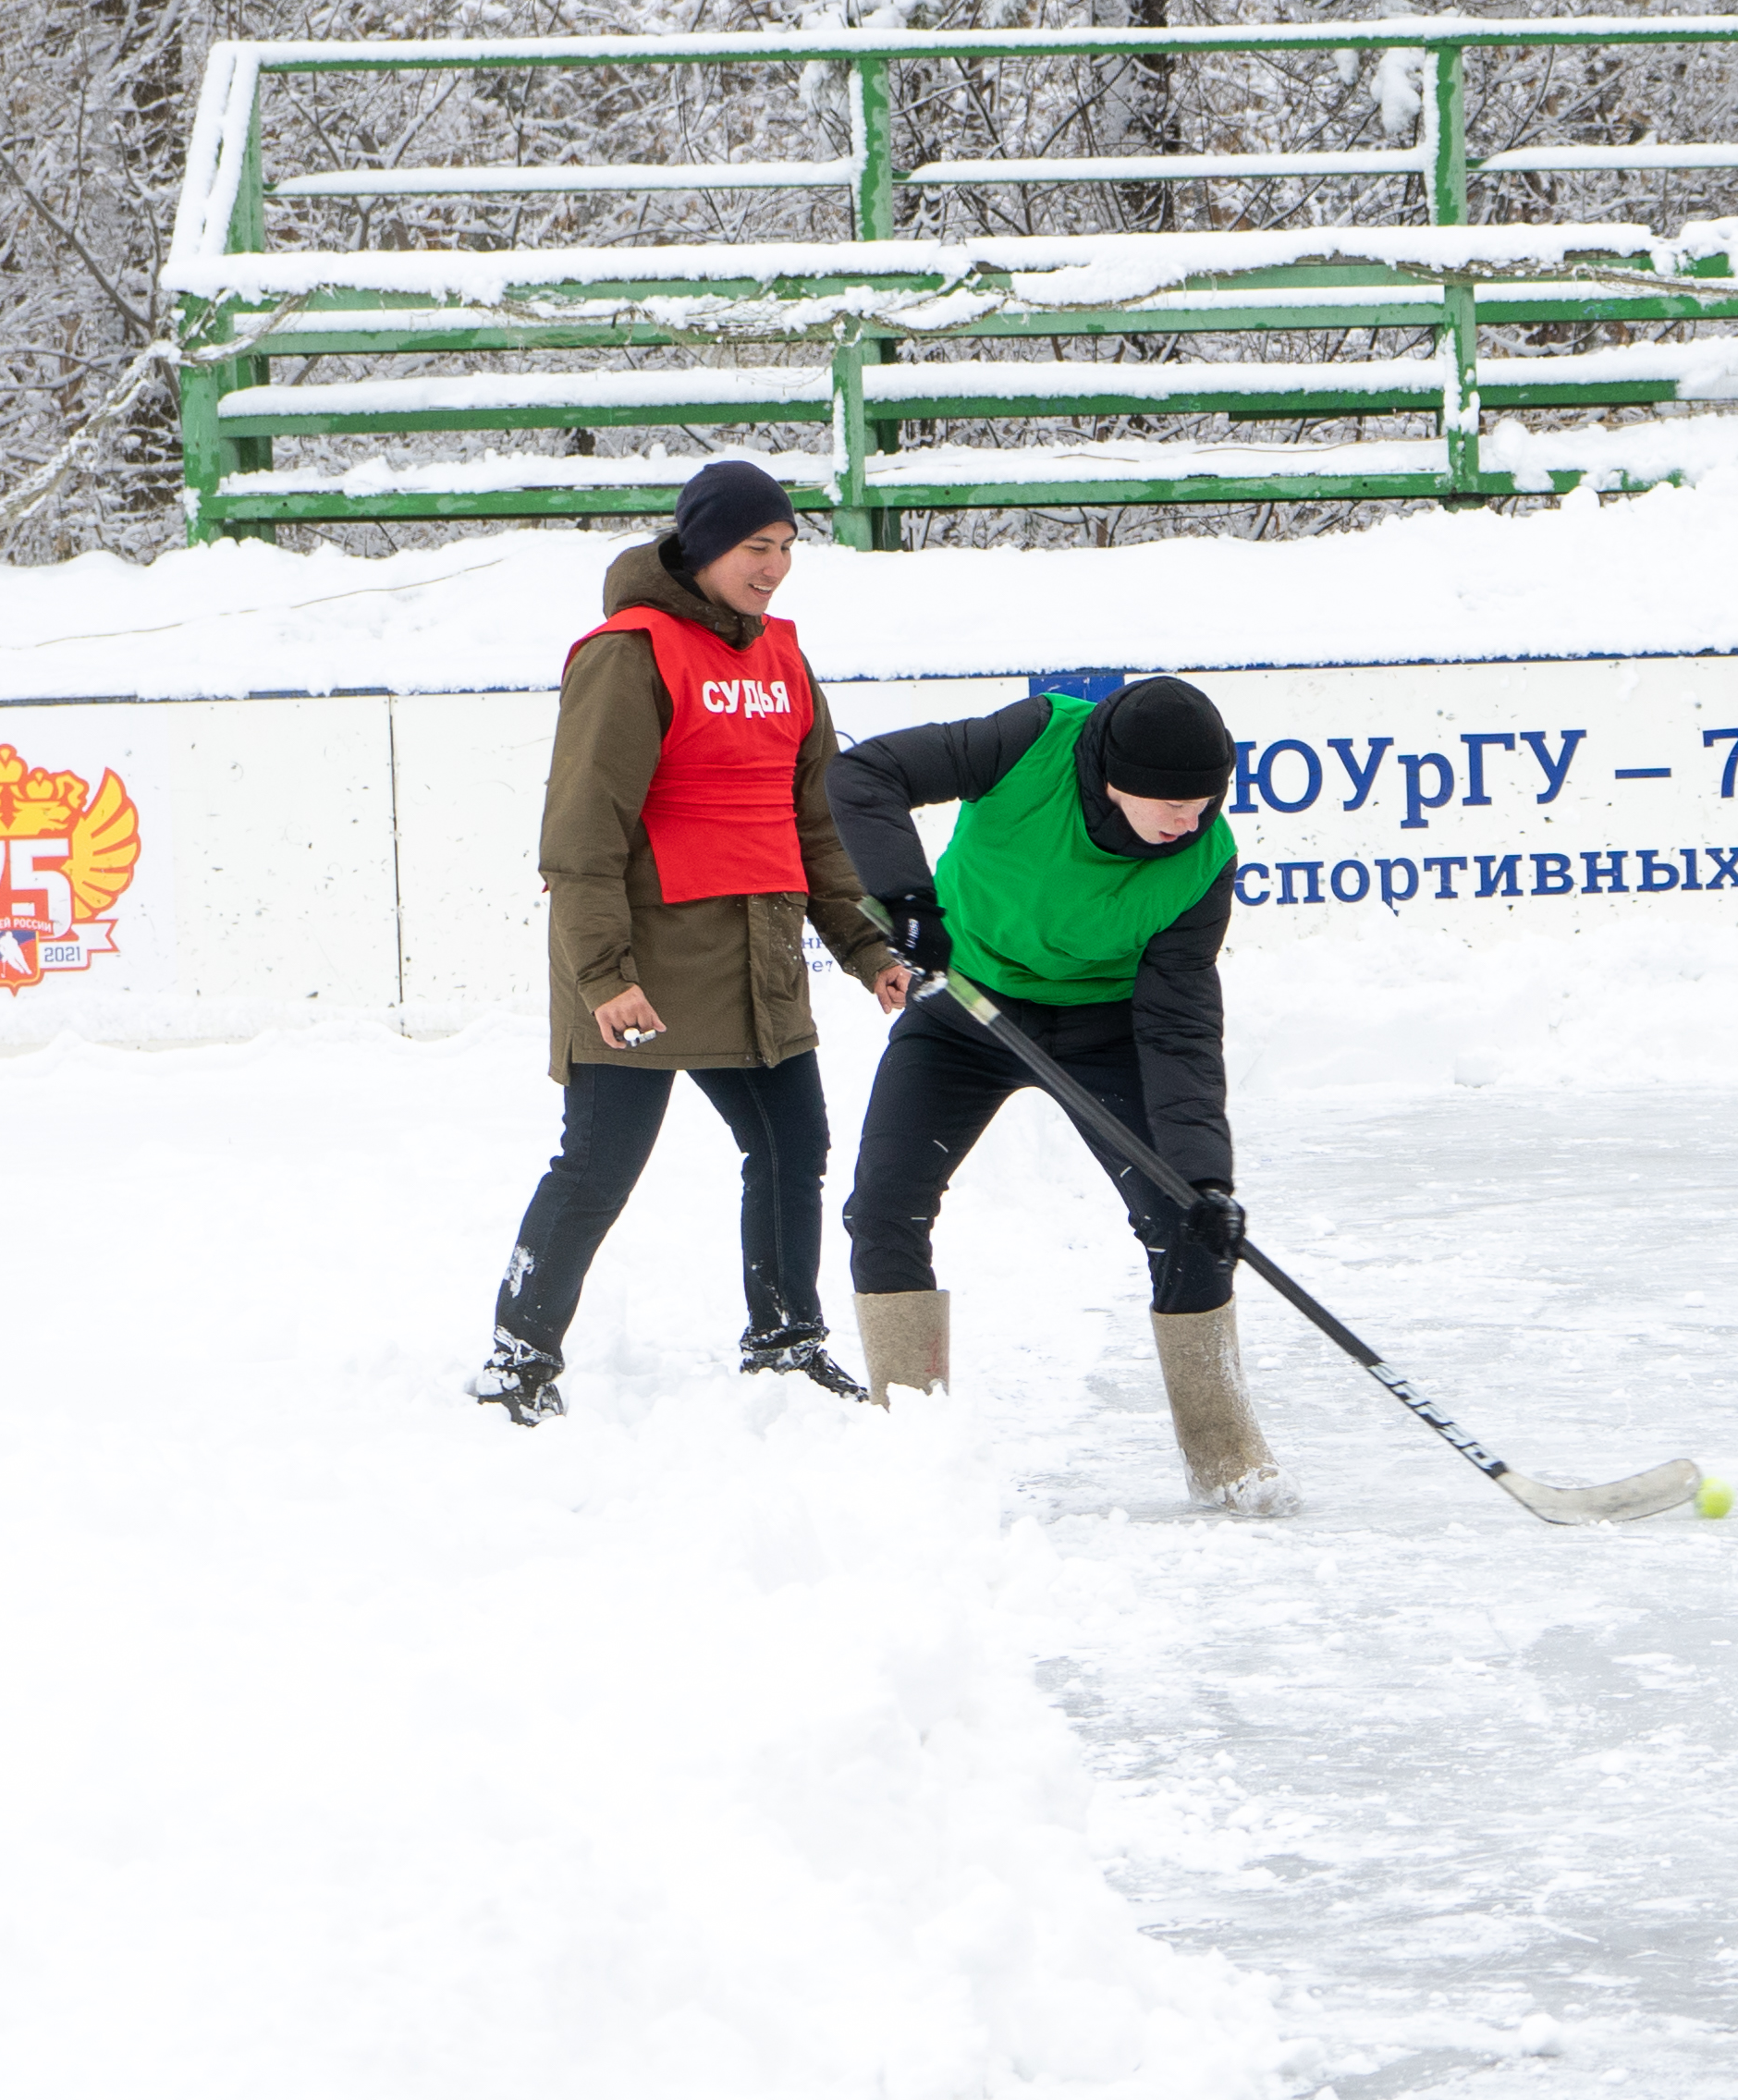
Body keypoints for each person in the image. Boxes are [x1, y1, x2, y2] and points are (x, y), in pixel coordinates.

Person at [470, 461, 908, 1425]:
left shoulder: (785, 658)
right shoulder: (629, 654)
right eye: (759, 547)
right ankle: (518, 1356)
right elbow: (583, 831)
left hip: (757, 956)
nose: (777, 568)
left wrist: (864, 945)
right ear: (706, 545)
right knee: (598, 1166)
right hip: (645, 966)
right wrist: (602, 975)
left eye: (789, 548)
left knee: (795, 1146)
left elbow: (817, 824)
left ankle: (788, 1340)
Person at [826, 676, 1294, 1515]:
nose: (1188, 823)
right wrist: (906, 901)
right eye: (1171, 804)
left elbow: (1182, 1030)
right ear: (1114, 775)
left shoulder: (1202, 864)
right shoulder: (1033, 740)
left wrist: (1207, 1178)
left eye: (1205, 803)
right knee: (884, 1206)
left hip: (1106, 1030)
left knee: (1183, 1220)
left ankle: (1226, 1455)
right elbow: (864, 775)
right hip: (967, 1010)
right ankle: (912, 1447)